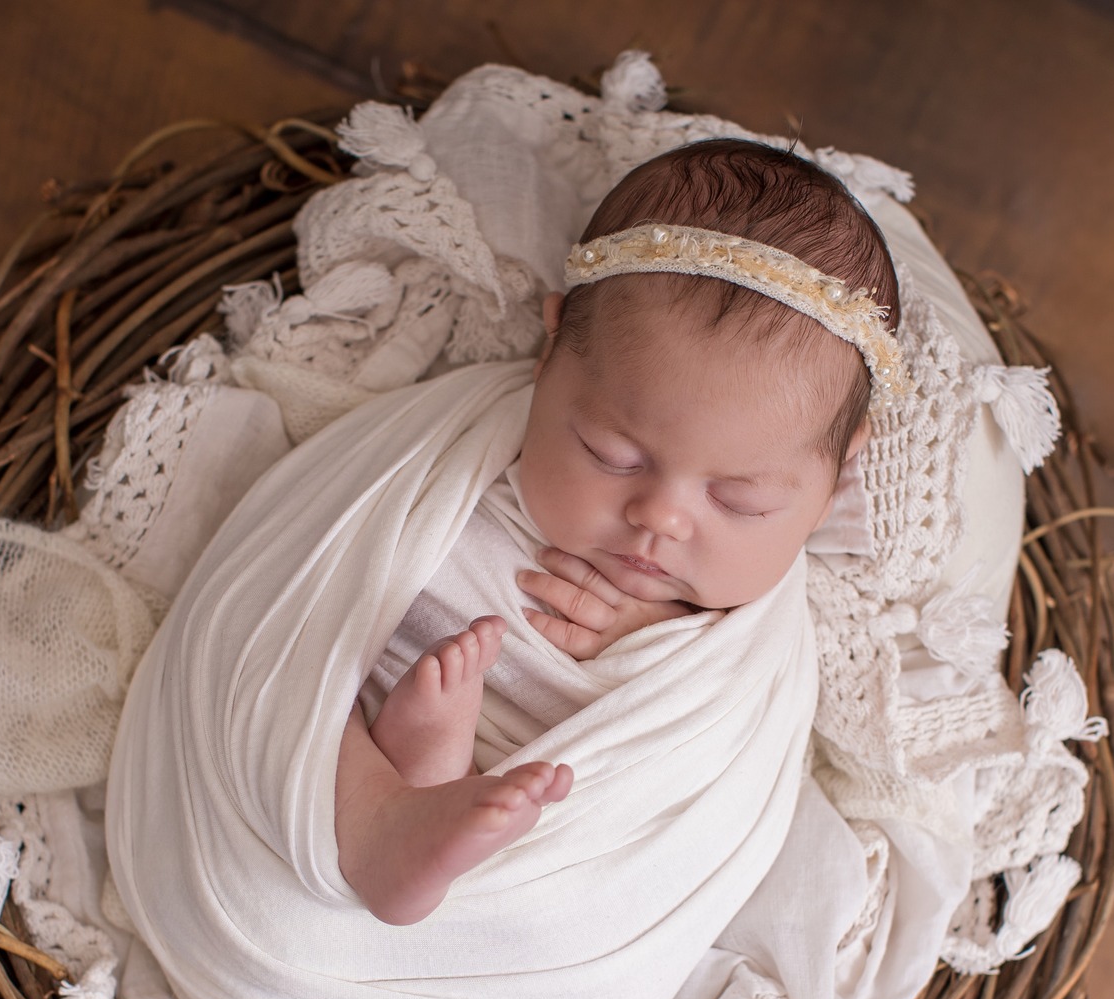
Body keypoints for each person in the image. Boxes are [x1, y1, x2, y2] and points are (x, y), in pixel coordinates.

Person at [334, 138, 904, 926]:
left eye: (740, 501)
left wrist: (655, 643)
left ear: (841, 468)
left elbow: (711, 778)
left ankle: (427, 804)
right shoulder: (447, 457)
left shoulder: (756, 644)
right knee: (285, 685)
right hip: (347, 726)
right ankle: (383, 807)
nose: (661, 519)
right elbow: (310, 560)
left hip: (555, 861)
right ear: (551, 350)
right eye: (612, 454)